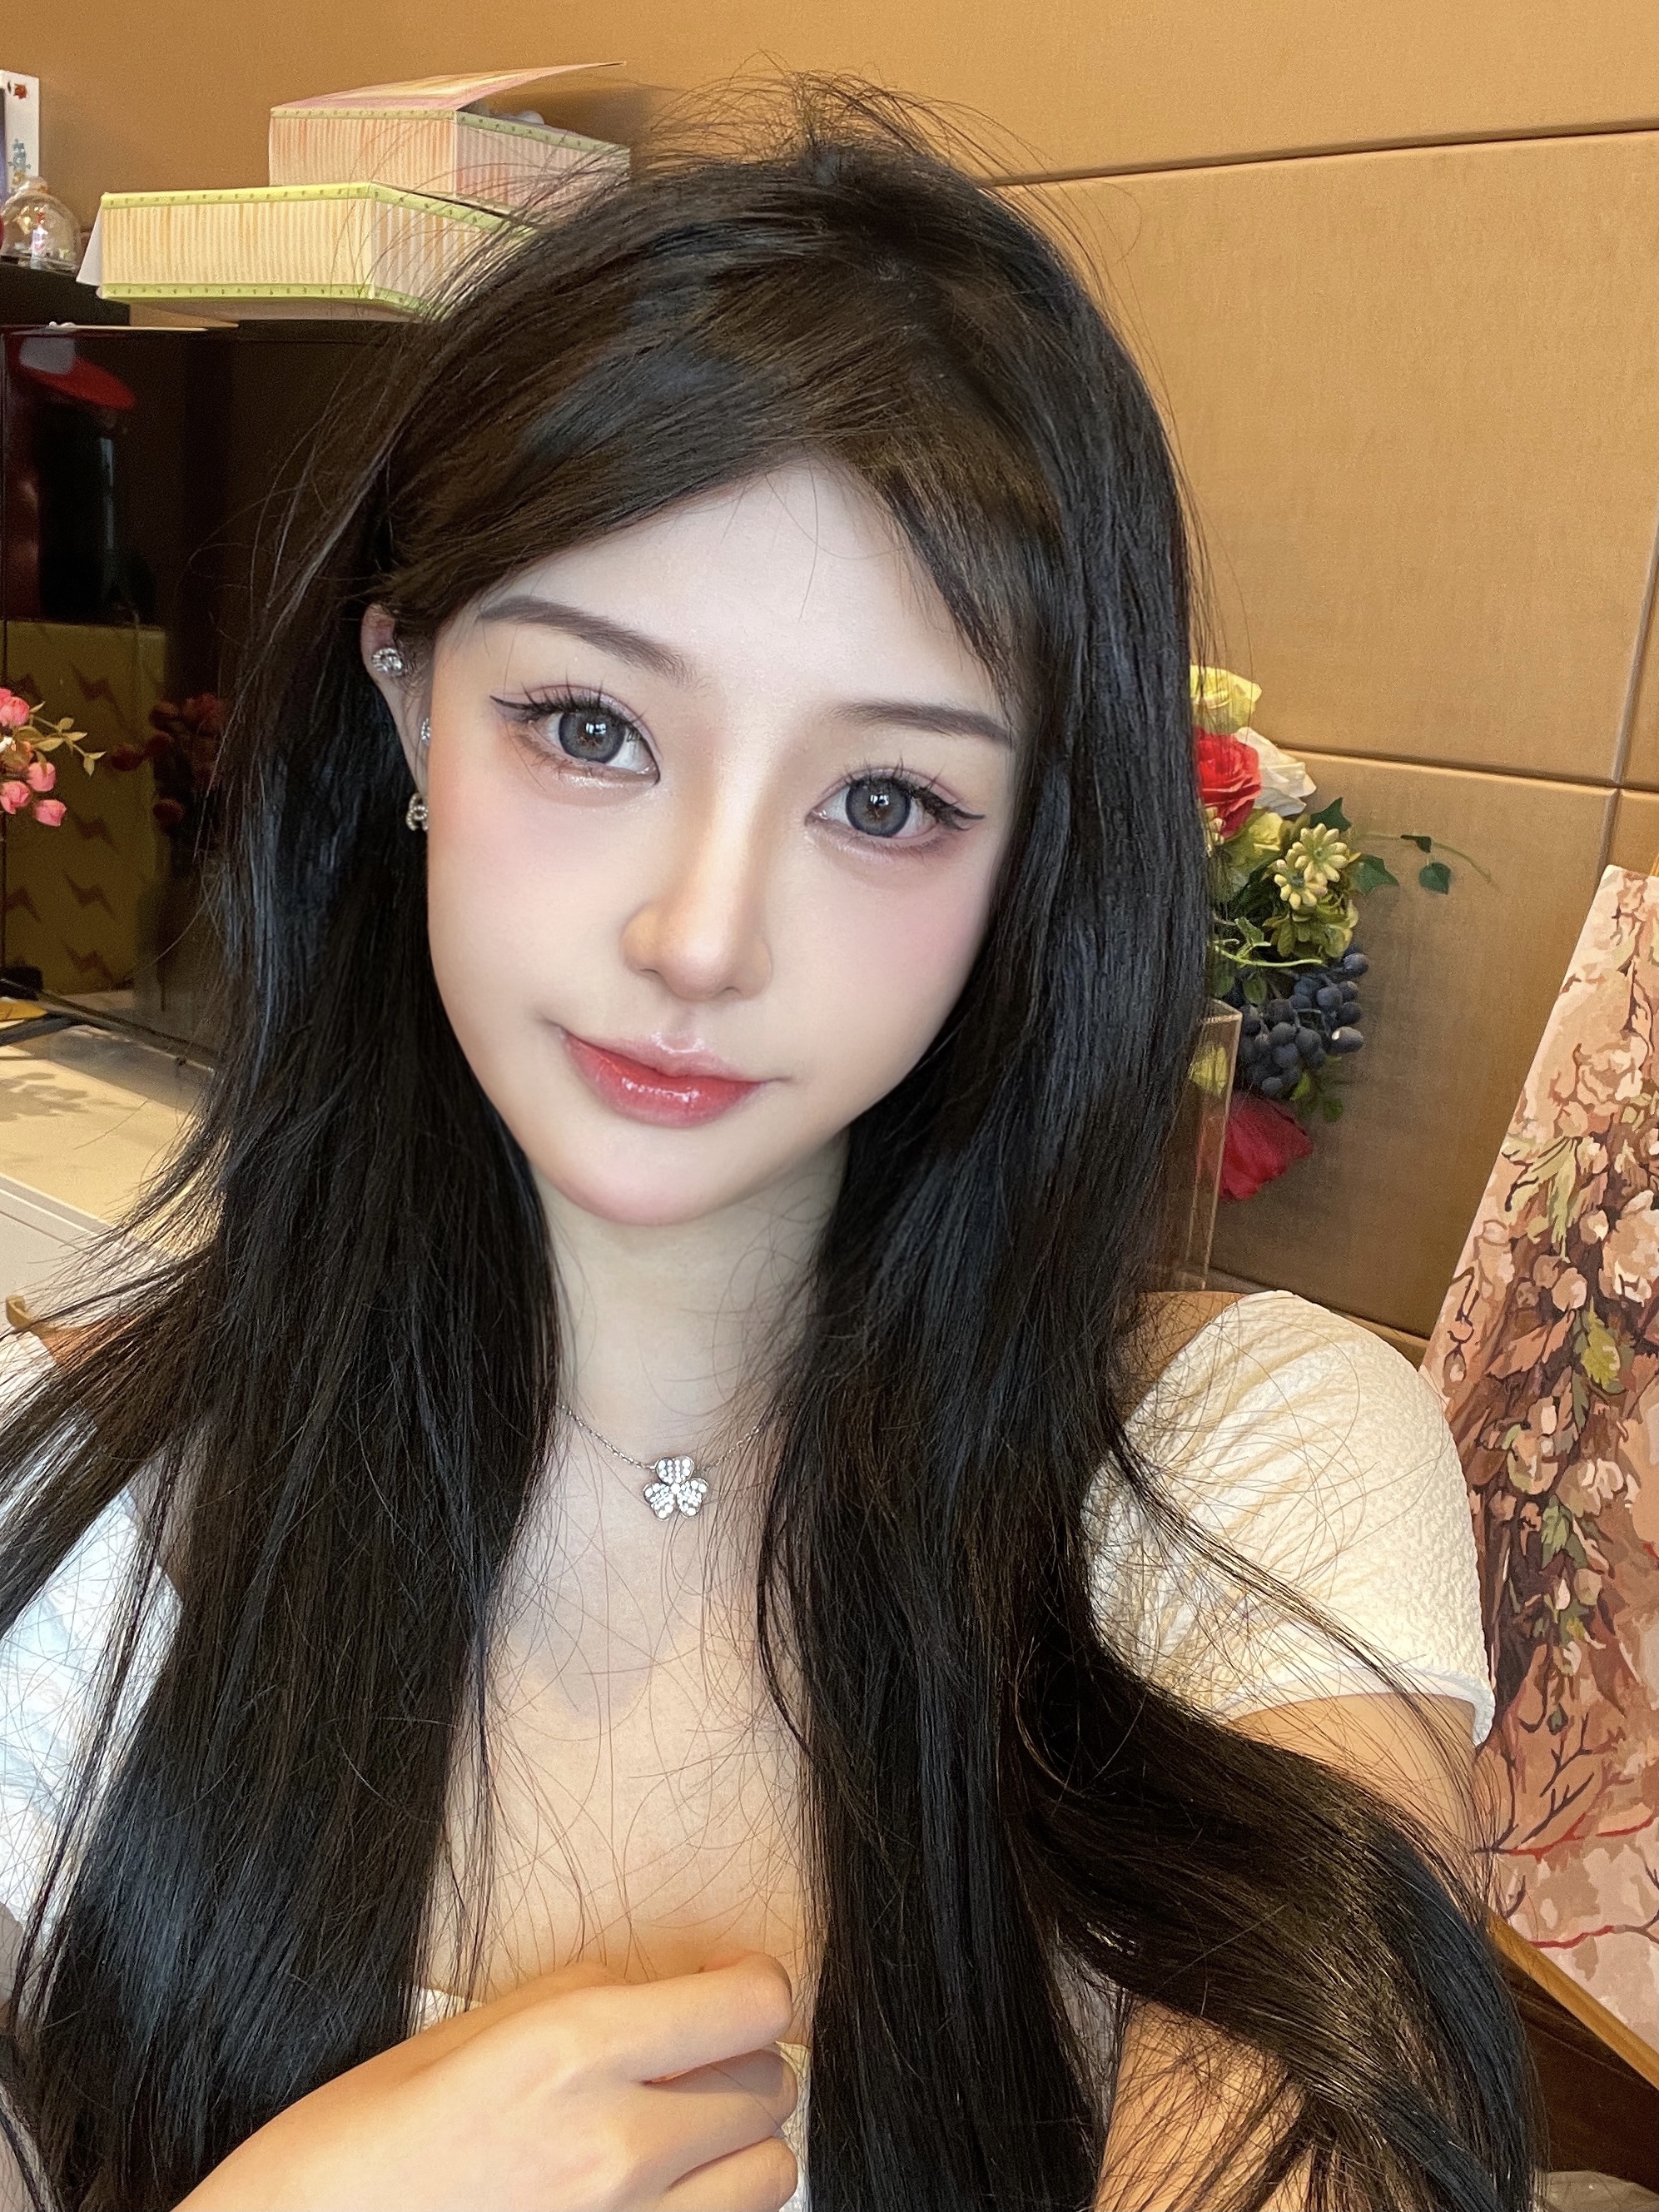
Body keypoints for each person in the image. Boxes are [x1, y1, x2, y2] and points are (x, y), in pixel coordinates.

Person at [0, 83, 1529, 2212]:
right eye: (590, 727)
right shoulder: (70, 1536)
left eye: (885, 800)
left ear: (1029, 858)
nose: (700, 940)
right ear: (408, 702)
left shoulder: (1246, 1475)